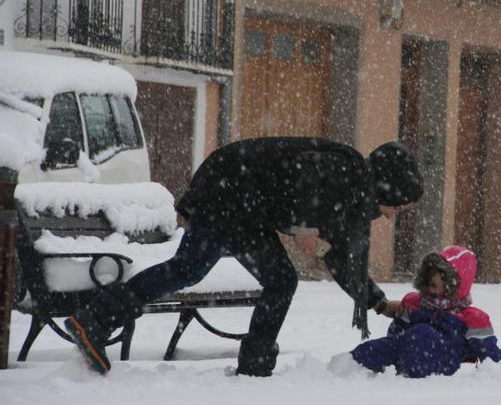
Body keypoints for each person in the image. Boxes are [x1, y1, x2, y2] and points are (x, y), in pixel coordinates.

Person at [65, 137, 424, 377]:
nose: (393, 215)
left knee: (281, 280)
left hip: (249, 208)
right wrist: (302, 227)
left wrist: (379, 303)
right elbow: (303, 175)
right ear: (385, 187)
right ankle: (95, 319)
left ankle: (255, 364)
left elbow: (341, 261)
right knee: (188, 269)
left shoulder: (355, 198)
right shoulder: (342, 169)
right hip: (229, 188)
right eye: (397, 205)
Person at [330, 245, 501, 378]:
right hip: (405, 349)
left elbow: (489, 352)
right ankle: (345, 365)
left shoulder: (471, 318)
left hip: (438, 360)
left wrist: (498, 369)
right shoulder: (415, 304)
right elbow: (396, 333)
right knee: (373, 350)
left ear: (455, 285)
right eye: (428, 284)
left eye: (436, 284)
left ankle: (408, 373)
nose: (430, 289)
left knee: (423, 333)